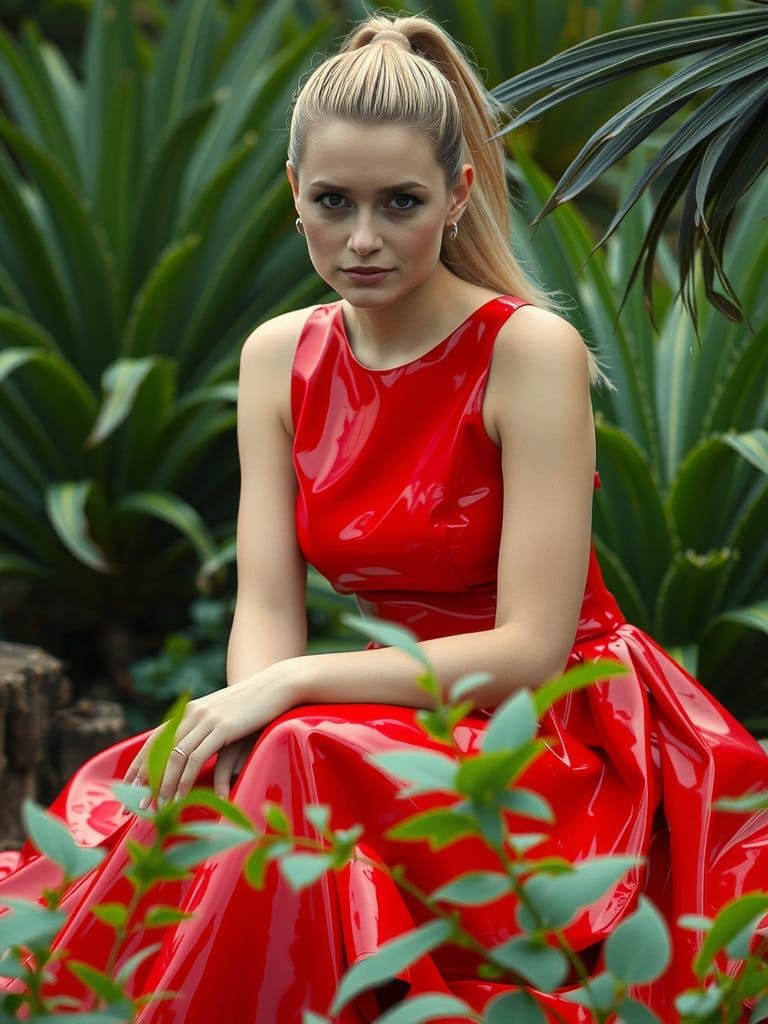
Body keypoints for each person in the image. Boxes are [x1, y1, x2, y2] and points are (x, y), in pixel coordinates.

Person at [1, 11, 767, 1023]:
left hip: (555, 732)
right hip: (381, 716)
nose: (363, 238)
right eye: (334, 202)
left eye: (399, 202)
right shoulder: (278, 356)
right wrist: (251, 708)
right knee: (247, 762)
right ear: (294, 198)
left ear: (456, 196)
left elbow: (535, 648)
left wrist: (293, 687)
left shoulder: (525, 352)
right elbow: (267, 598)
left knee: (298, 751)